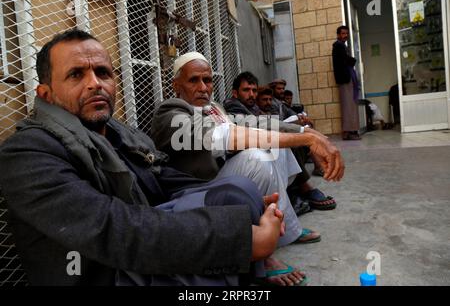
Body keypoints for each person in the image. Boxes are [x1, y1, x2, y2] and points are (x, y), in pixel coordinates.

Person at [0, 29, 286, 286]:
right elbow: (112, 228)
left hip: (136, 232)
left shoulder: (115, 132)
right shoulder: (27, 153)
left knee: (240, 193)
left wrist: (244, 207)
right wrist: (239, 240)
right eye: (76, 75)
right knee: (224, 244)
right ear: (46, 94)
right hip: (99, 270)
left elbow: (159, 178)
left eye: (103, 73)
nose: (94, 84)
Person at [151, 55, 344, 285]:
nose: (203, 88)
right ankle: (264, 256)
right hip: (196, 193)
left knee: (276, 147)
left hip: (224, 183)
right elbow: (224, 136)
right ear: (176, 85)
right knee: (256, 158)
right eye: (194, 80)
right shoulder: (169, 113)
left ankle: (286, 231)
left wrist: (305, 131)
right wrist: (304, 141)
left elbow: (254, 124)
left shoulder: (214, 108)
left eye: (208, 80)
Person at [226, 72, 337, 211]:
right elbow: (257, 126)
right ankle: (300, 190)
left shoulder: (253, 106)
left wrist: (302, 130)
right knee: (284, 141)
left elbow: (268, 123)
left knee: (288, 139)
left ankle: (294, 192)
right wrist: (302, 132)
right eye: (246, 90)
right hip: (241, 157)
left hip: (255, 147)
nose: (252, 94)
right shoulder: (233, 106)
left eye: (254, 90)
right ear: (235, 93)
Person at [332, 25, 361, 140]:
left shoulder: (341, 46)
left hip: (346, 79)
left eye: (346, 33)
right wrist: (353, 60)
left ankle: (350, 131)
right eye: (343, 33)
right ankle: (349, 132)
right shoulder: (339, 45)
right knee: (349, 106)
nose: (345, 36)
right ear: (338, 35)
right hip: (345, 80)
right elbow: (345, 60)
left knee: (350, 105)